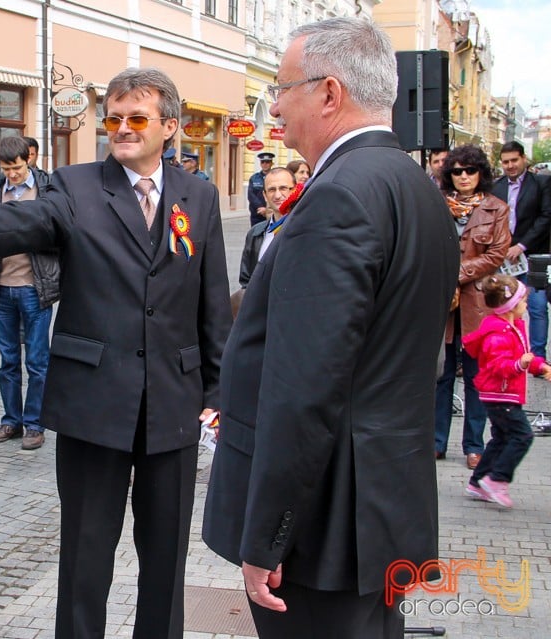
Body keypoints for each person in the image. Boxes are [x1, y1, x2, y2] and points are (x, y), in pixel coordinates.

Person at [0, 67, 231, 638]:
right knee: (85, 557)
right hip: (93, 404)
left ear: (170, 127)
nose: (122, 129)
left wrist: (217, 391)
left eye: (136, 119)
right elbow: (29, 219)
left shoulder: (196, 195)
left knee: (166, 561)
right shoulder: (75, 185)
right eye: (114, 119)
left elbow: (211, 300)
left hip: (172, 406)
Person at [202, 18, 459, 639]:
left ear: (328, 93)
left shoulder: (340, 194)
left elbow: (304, 387)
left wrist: (266, 537)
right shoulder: (413, 186)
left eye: (283, 90)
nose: (274, 113)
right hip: (381, 504)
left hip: (325, 528)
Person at [434, 144, 511, 469]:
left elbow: (496, 254)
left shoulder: (496, 208)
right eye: (457, 171)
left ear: (481, 173)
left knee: (478, 377)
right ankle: (436, 441)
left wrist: (457, 273)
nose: (464, 177)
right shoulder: (437, 204)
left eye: (470, 170)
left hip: (478, 302)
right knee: (441, 375)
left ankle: (473, 445)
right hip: (441, 300)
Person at [0, 136, 58, 451]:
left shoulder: (48, 189)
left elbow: (62, 231)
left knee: (38, 361)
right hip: (1, 288)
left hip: (34, 288)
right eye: (6, 168)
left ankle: (35, 424)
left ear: (29, 159)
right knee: (8, 360)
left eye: (17, 167)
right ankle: (11, 420)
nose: (12, 174)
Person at [463, 275, 550, 508]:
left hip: (504, 394)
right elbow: (499, 366)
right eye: (522, 302)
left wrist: (539, 366)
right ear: (510, 306)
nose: (526, 306)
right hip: (500, 394)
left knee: (501, 438)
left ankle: (477, 482)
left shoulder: (514, 326)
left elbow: (525, 357)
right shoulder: (497, 333)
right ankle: (498, 478)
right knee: (523, 436)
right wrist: (519, 365)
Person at [491, 141, 551, 359]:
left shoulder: (542, 183)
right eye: (505, 162)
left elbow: (546, 217)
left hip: (534, 257)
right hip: (505, 259)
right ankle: (510, 353)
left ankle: (538, 357)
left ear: (524, 158)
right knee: (505, 307)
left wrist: (521, 245)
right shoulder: (496, 187)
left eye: (514, 160)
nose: (510, 165)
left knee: (536, 307)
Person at [238, 167, 296, 288]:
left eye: (283, 188)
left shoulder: (305, 229)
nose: (278, 195)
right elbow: (246, 280)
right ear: (265, 195)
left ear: (294, 190)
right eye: (271, 190)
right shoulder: (255, 234)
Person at [247, 151, 275, 225]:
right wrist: (260, 207)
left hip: (272, 213)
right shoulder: (254, 178)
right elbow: (251, 195)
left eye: (267, 162)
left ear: (271, 163)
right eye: (263, 162)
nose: (265, 164)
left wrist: (268, 209)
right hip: (257, 214)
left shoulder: (276, 177)